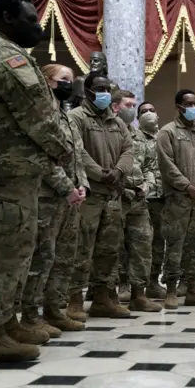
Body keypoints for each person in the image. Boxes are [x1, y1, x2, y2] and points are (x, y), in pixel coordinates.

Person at [0, 0, 74, 362]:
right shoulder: (2, 54)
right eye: (31, 19)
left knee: (18, 249)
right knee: (6, 251)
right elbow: (38, 113)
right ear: (6, 18)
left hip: (14, 170)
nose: (38, 26)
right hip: (5, 170)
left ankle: (3, 322)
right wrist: (65, 151)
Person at [16, 64, 89, 339]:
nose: (69, 85)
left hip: (70, 199)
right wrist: (65, 187)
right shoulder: (41, 114)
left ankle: (55, 309)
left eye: (71, 80)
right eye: (63, 80)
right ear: (47, 81)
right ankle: (30, 316)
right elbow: (44, 158)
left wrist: (82, 185)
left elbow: (77, 156)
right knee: (42, 258)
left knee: (64, 257)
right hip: (48, 196)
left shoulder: (66, 116)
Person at [66, 73, 134, 320]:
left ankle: (103, 298)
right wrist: (99, 173)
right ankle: (74, 300)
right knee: (81, 248)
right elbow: (77, 151)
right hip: (90, 195)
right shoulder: (76, 118)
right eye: (99, 88)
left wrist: (118, 171)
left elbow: (128, 150)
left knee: (110, 249)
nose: (104, 92)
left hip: (113, 194)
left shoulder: (118, 123)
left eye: (107, 88)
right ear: (87, 91)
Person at [156, 90, 195, 308]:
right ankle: (171, 290)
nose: (193, 108)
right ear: (178, 106)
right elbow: (166, 165)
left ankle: (193, 289)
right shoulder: (167, 132)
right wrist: (187, 186)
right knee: (175, 244)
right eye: (188, 104)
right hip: (178, 200)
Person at [111, 90, 162, 312]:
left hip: (139, 198)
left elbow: (151, 166)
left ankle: (138, 294)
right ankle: (111, 292)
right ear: (116, 107)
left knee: (143, 244)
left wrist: (146, 185)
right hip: (115, 197)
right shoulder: (107, 131)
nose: (132, 109)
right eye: (128, 105)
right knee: (113, 246)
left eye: (134, 105)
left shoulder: (139, 137)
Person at [138, 107, 166, 299]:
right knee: (137, 242)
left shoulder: (164, 138)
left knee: (158, 242)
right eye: (145, 111)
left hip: (161, 197)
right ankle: (130, 284)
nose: (150, 113)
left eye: (153, 110)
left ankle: (154, 281)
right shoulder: (135, 138)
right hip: (141, 196)